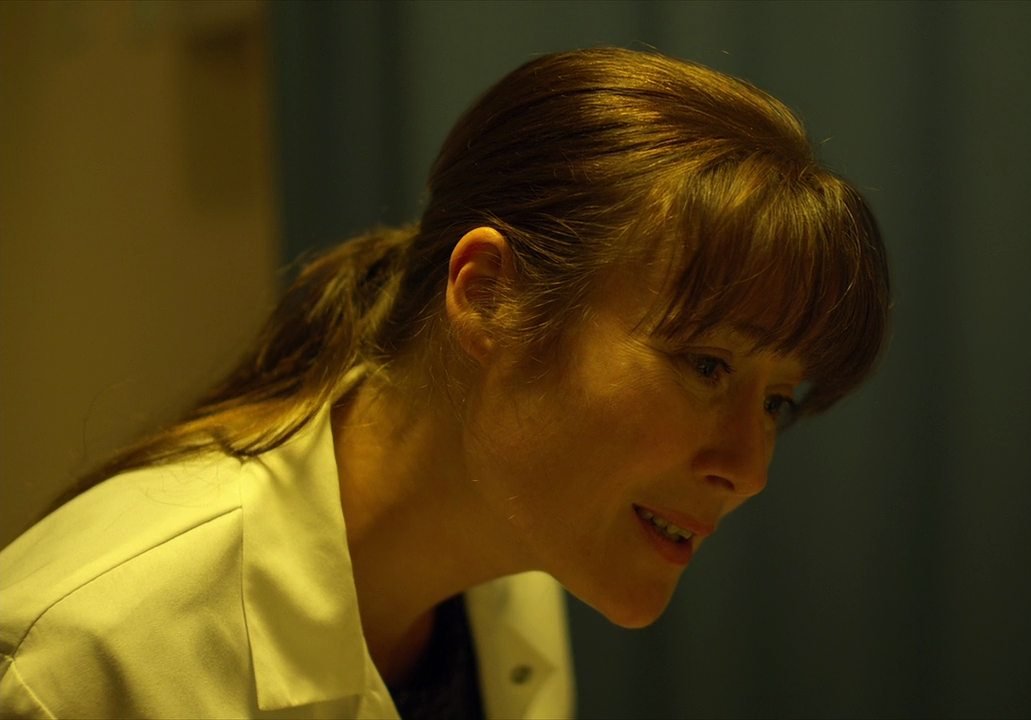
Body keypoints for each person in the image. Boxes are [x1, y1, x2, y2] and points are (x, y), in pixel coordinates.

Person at [0, 47, 890, 719]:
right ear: (489, 295)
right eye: (706, 365)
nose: (749, 468)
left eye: (777, 402)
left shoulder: (516, 562)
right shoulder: (83, 658)